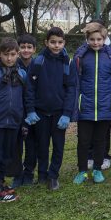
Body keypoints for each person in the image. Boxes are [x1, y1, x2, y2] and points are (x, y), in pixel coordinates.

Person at [0, 39, 36, 203]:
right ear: (0, 55)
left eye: (12, 55)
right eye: (6, 55)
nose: (9, 58)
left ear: (17, 55)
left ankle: (1, 183)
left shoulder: (22, 74)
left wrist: (25, 123)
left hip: (14, 123)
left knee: (7, 156)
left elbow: (26, 100)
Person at [70, 22, 111, 185]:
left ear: (104, 39)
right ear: (87, 39)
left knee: (101, 140)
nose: (96, 42)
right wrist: (75, 107)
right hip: (85, 107)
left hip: (104, 108)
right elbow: (75, 83)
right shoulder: (80, 57)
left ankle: (98, 169)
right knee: (83, 141)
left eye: (99, 39)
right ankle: (81, 171)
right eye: (92, 39)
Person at [25, 27, 73, 189]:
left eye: (60, 42)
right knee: (42, 146)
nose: (56, 45)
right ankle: (43, 174)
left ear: (64, 43)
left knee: (58, 146)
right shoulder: (37, 62)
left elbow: (71, 89)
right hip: (40, 113)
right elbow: (30, 88)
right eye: (53, 42)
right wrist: (30, 110)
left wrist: (67, 113)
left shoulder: (67, 63)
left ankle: (53, 175)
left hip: (59, 113)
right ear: (46, 43)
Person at [10, 32, 38, 185]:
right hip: (17, 111)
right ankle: (17, 174)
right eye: (23, 47)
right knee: (16, 144)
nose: (26, 50)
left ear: (34, 49)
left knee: (32, 144)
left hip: (33, 111)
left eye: (29, 47)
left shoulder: (38, 65)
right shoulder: (13, 65)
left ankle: (29, 172)